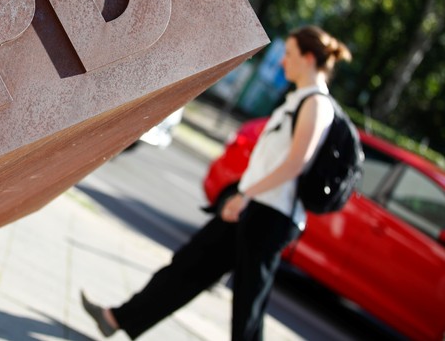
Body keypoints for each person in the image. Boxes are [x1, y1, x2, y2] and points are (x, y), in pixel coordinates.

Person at [81, 25, 352, 341]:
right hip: (254, 207)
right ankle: (117, 318)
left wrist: (245, 195)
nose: (282, 62)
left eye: (289, 55)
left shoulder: (316, 105)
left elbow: (296, 164)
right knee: (190, 265)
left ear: (308, 58)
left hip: (270, 216)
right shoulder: (299, 100)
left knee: (248, 302)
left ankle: (118, 318)